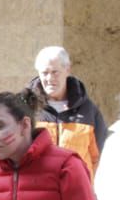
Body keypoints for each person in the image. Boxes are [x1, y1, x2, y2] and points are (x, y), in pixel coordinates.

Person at [30, 45, 105, 176]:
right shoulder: (27, 108)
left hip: (77, 191)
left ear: (67, 70)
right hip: (39, 190)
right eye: (44, 73)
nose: (49, 78)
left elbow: (99, 157)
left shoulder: (88, 110)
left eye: (55, 72)